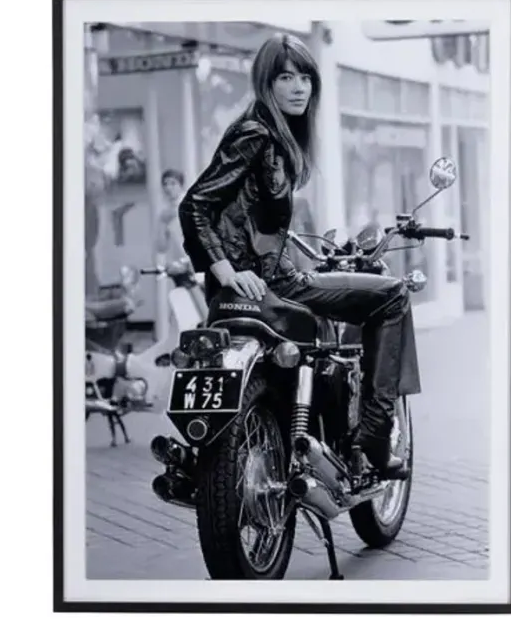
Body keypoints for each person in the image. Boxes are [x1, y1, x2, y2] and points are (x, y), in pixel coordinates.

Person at [178, 33, 420, 479]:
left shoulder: (272, 137)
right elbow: (195, 203)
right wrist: (225, 267)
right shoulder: (257, 133)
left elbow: (248, 218)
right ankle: (374, 431)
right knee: (393, 295)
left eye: (305, 77)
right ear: (265, 82)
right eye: (285, 77)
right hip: (272, 281)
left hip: (264, 275)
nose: (298, 87)